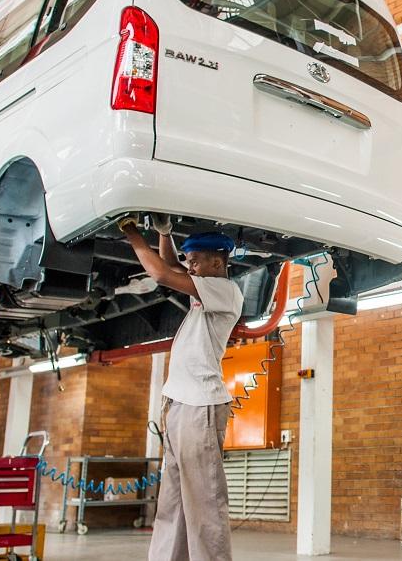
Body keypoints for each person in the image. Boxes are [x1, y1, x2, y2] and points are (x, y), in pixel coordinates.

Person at [117, 215, 242, 561]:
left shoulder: (225, 290)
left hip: (200, 407)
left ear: (217, 262)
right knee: (172, 501)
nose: (190, 267)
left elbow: (161, 273)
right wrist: (163, 233)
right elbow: (171, 265)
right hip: (178, 406)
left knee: (204, 502)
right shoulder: (205, 288)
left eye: (196, 261)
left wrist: (131, 232)